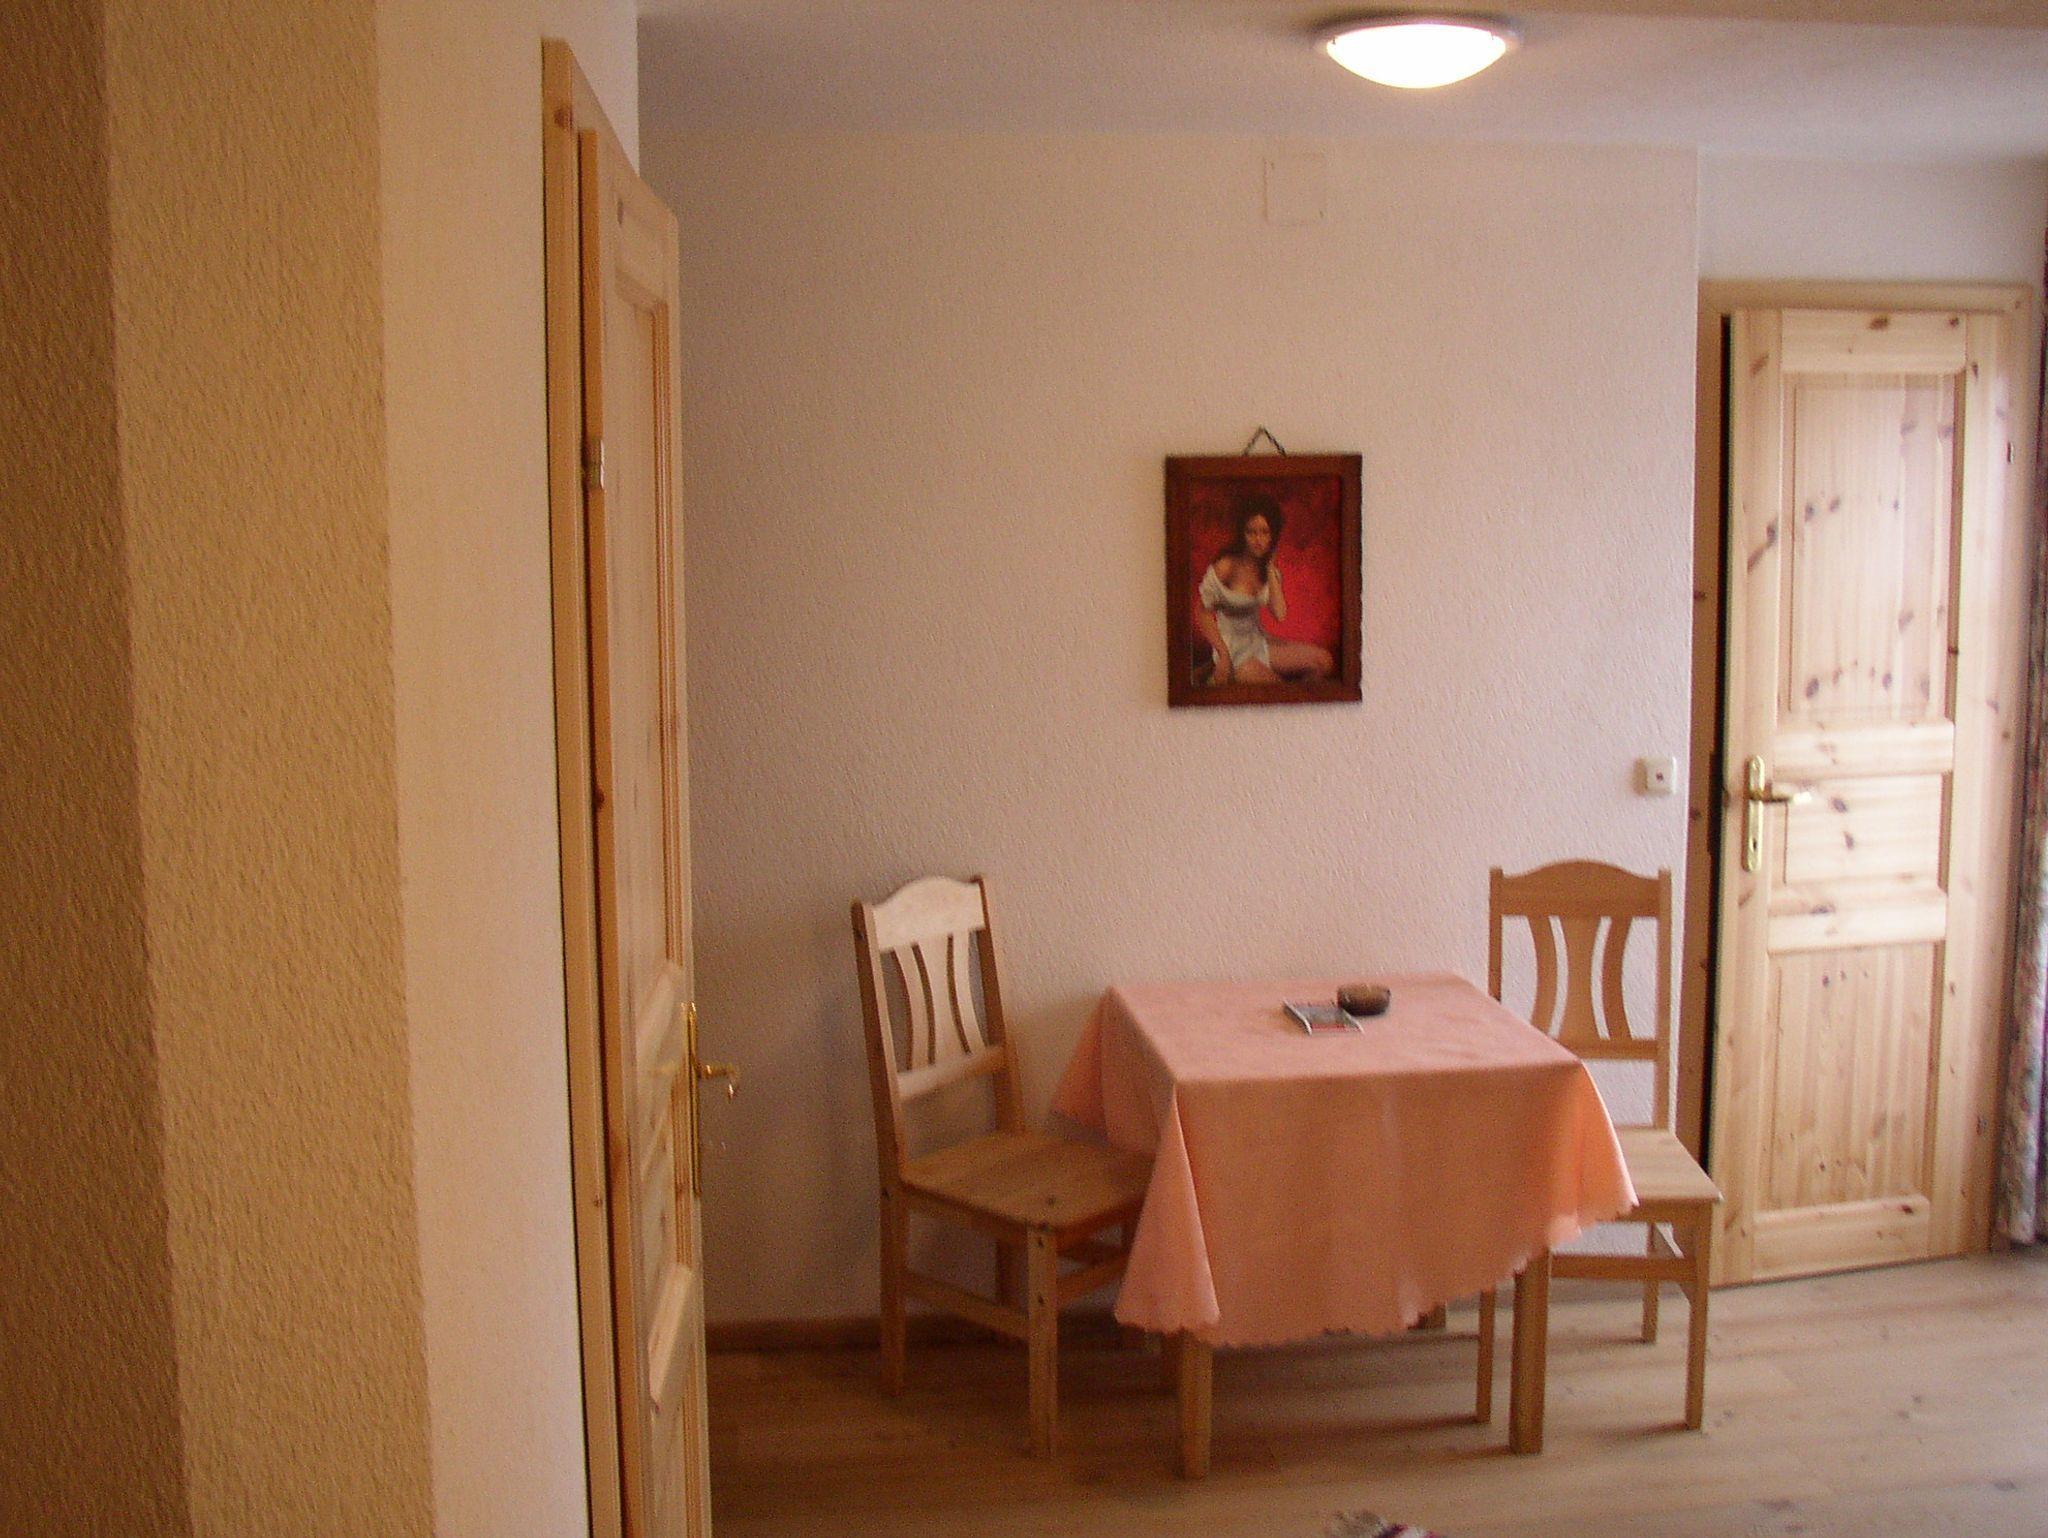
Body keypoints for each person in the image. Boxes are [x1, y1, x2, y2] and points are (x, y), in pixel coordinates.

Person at [1195, 494, 1334, 685]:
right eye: (1251, 532)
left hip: (1258, 642)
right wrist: (1223, 654)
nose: (1258, 540)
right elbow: (1202, 613)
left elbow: (1279, 614)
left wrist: (1269, 568)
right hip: (1230, 649)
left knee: (1324, 662)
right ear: (1242, 534)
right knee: (1276, 689)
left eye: (1264, 532)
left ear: (1272, 536)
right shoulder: (1226, 566)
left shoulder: (1269, 571)